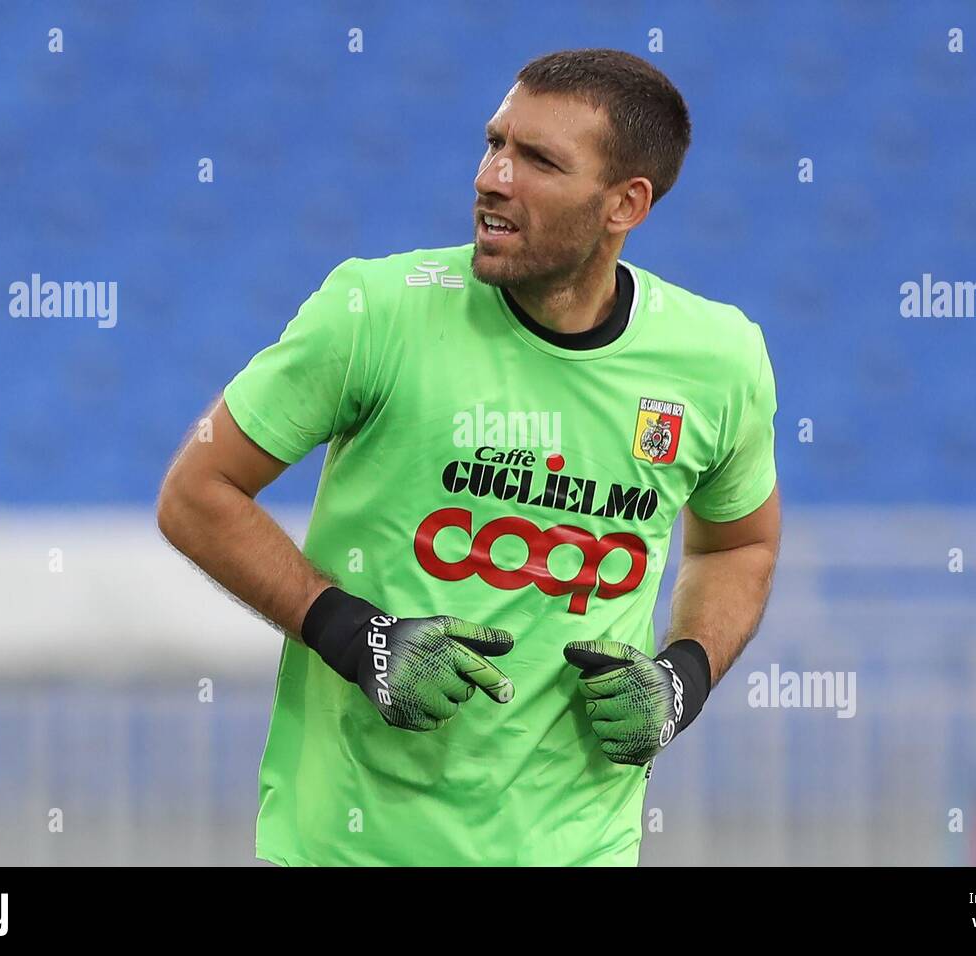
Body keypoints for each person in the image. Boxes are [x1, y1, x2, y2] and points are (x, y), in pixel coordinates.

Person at [157, 48, 781, 866]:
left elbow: (740, 542)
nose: (493, 178)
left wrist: (682, 679)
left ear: (624, 203)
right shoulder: (374, 312)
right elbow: (198, 491)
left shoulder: (719, 359)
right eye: (495, 144)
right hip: (351, 850)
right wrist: (359, 637)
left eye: (539, 161)